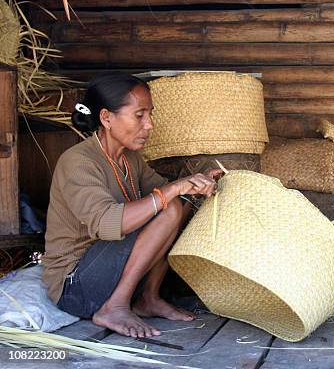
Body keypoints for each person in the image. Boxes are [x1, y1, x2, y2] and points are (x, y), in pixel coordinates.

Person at [42, 72, 223, 338]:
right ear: (106, 118)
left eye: (150, 114)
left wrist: (195, 184)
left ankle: (147, 298)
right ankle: (114, 306)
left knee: (179, 205)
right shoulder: (78, 162)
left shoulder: (130, 159)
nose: (149, 124)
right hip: (76, 286)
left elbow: (168, 195)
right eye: (139, 115)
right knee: (169, 205)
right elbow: (106, 224)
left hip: (109, 276)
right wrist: (173, 189)